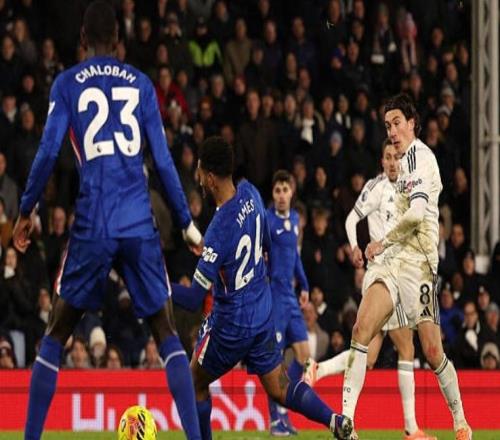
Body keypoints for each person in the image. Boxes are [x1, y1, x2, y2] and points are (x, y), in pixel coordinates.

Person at [12, 3, 203, 439]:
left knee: (56, 331)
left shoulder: (67, 84)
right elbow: (164, 161)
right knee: (166, 331)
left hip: (94, 221)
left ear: (83, 38)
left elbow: (47, 153)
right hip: (138, 220)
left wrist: (26, 210)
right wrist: (186, 223)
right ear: (118, 40)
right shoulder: (141, 83)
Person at [171, 136, 353, 440]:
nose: (198, 178)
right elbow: (265, 245)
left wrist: (159, 286)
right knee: (281, 388)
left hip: (231, 325)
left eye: (200, 172)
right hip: (261, 313)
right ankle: (333, 419)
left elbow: (192, 299)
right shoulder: (251, 193)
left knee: (194, 383)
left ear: (210, 178)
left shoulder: (218, 230)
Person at [341, 94, 471, 440]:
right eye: (387, 125)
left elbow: (415, 214)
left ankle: (460, 420)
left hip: (420, 266)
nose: (392, 131)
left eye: (397, 123)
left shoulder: (422, 159)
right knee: (361, 329)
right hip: (391, 264)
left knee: (432, 351)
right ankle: (346, 424)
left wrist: (381, 242)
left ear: (412, 123)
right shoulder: (396, 165)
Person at [304, 139, 436, 440]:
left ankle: (319, 372)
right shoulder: (377, 187)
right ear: (381, 161)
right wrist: (354, 246)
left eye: (396, 157)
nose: (392, 162)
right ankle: (406, 427)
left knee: (376, 354)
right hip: (381, 276)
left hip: (399, 276)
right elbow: (352, 218)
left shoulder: (410, 189)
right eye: (387, 157)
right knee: (393, 347)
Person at [266, 169, 311, 436]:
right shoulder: (267, 221)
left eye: (285, 190)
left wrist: (304, 284)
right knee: (275, 360)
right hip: (274, 297)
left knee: (304, 357)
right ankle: (276, 420)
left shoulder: (295, 218)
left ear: (292, 192)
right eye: (277, 191)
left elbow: (294, 256)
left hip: (291, 298)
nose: (282, 195)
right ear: (273, 194)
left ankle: (283, 403)